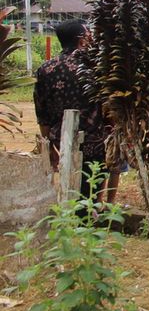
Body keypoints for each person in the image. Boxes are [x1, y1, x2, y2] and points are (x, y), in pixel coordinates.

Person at [33, 19, 117, 200]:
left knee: (67, 191)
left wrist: (48, 146)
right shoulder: (97, 67)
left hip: (62, 141)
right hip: (94, 143)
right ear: (82, 40)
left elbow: (42, 112)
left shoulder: (46, 69)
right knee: (90, 195)